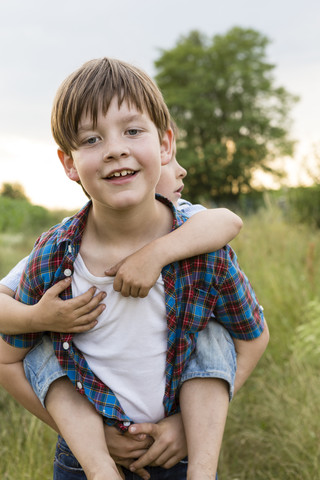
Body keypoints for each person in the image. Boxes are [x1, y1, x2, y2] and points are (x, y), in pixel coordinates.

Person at [0, 57, 268, 480]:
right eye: (91, 139)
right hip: (85, 459)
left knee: (213, 335)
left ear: (164, 145)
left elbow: (251, 337)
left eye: (132, 131)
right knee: (41, 344)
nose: (115, 149)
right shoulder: (55, 256)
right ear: (68, 164)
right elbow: (7, 358)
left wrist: (184, 428)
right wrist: (85, 437)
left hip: (178, 451)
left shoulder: (203, 248)